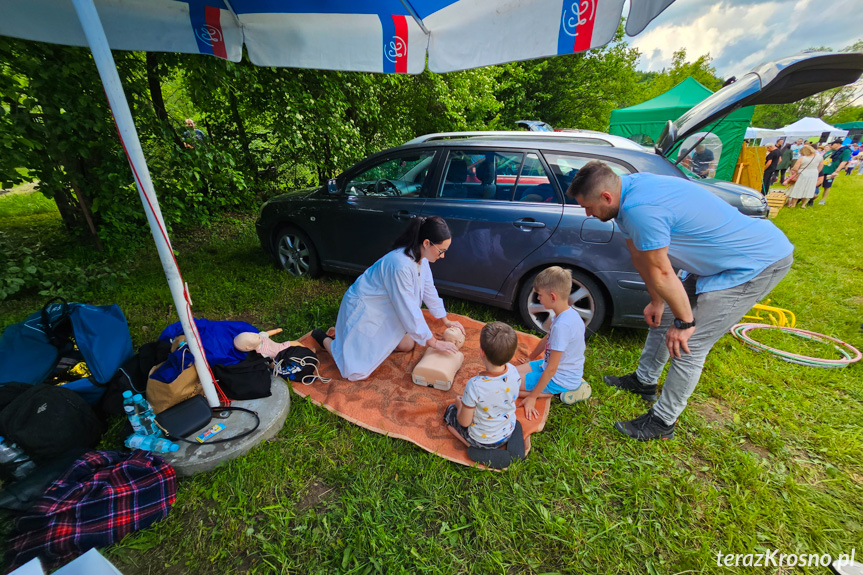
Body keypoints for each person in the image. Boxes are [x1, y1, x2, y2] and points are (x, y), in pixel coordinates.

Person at [566, 161, 794, 441]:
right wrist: (657, 301)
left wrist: (686, 322)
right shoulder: (625, 198)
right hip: (715, 263)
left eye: (588, 207)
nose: (588, 214)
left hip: (753, 262)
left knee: (690, 343)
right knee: (663, 320)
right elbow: (641, 258)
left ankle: (663, 422)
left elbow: (662, 270)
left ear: (606, 197)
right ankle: (644, 381)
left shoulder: (640, 209)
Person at [312, 216, 465, 381]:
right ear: (426, 243)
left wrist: (446, 321)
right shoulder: (400, 265)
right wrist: (434, 343)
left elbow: (429, 290)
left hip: (387, 308)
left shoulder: (422, 258)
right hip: (366, 309)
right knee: (354, 371)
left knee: (408, 345)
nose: (442, 256)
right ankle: (328, 342)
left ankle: (367, 346)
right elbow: (409, 310)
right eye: (441, 251)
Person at [516, 266, 591, 420]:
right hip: (551, 367)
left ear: (553, 296)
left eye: (539, 295)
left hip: (560, 378)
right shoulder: (565, 313)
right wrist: (531, 357)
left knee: (507, 385)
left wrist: (532, 398)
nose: (537, 298)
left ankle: (556, 391)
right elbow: (547, 339)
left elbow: (551, 369)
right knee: (510, 372)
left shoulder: (562, 326)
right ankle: (549, 389)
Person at [444, 322, 520, 450]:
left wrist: (459, 405)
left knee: (449, 411)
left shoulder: (475, 385)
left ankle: (469, 444)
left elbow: (464, 422)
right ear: (512, 354)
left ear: (482, 352)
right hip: (508, 431)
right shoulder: (514, 371)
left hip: (482, 440)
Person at [817, 139, 852, 205]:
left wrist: (836, 171)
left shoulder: (845, 150)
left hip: (831, 171)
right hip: (821, 170)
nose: (831, 146)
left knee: (827, 186)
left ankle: (823, 200)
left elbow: (844, 161)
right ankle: (812, 198)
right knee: (817, 184)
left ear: (838, 144)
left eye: (832, 144)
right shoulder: (830, 151)